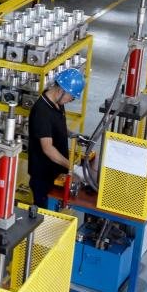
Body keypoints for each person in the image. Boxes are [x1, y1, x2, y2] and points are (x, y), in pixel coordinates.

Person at [27, 68, 84, 208]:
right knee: (44, 215)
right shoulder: (42, 111)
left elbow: (57, 124)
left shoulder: (58, 102)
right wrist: (73, 168)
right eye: (71, 97)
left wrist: (71, 134)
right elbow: (48, 149)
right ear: (61, 90)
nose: (71, 100)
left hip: (56, 172)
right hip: (44, 176)